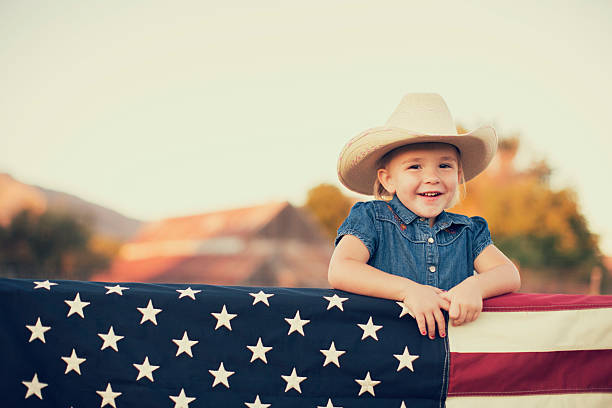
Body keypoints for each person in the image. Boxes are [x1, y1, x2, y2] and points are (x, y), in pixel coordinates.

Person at [329, 93, 521, 340]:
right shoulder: (372, 218)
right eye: (415, 166)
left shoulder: (467, 230)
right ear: (388, 179)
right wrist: (408, 291)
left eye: (444, 165)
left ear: (458, 173)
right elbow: (341, 269)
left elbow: (508, 273)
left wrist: (475, 286)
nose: (432, 177)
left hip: (447, 361)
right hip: (381, 353)